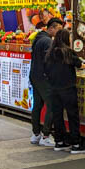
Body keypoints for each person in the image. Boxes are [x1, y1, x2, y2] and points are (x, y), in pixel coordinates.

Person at [45, 28, 85, 154]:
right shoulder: (68, 52)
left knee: (58, 115)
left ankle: (60, 142)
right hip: (68, 88)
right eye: (69, 38)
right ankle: (75, 144)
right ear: (65, 39)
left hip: (53, 89)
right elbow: (80, 65)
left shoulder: (50, 53)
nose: (71, 40)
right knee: (72, 115)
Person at [29, 17, 62, 147]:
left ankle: (35, 134)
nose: (59, 32)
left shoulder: (38, 37)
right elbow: (49, 61)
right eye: (58, 29)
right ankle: (46, 135)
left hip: (34, 76)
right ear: (51, 28)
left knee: (37, 105)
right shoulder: (48, 41)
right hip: (43, 77)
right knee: (52, 105)